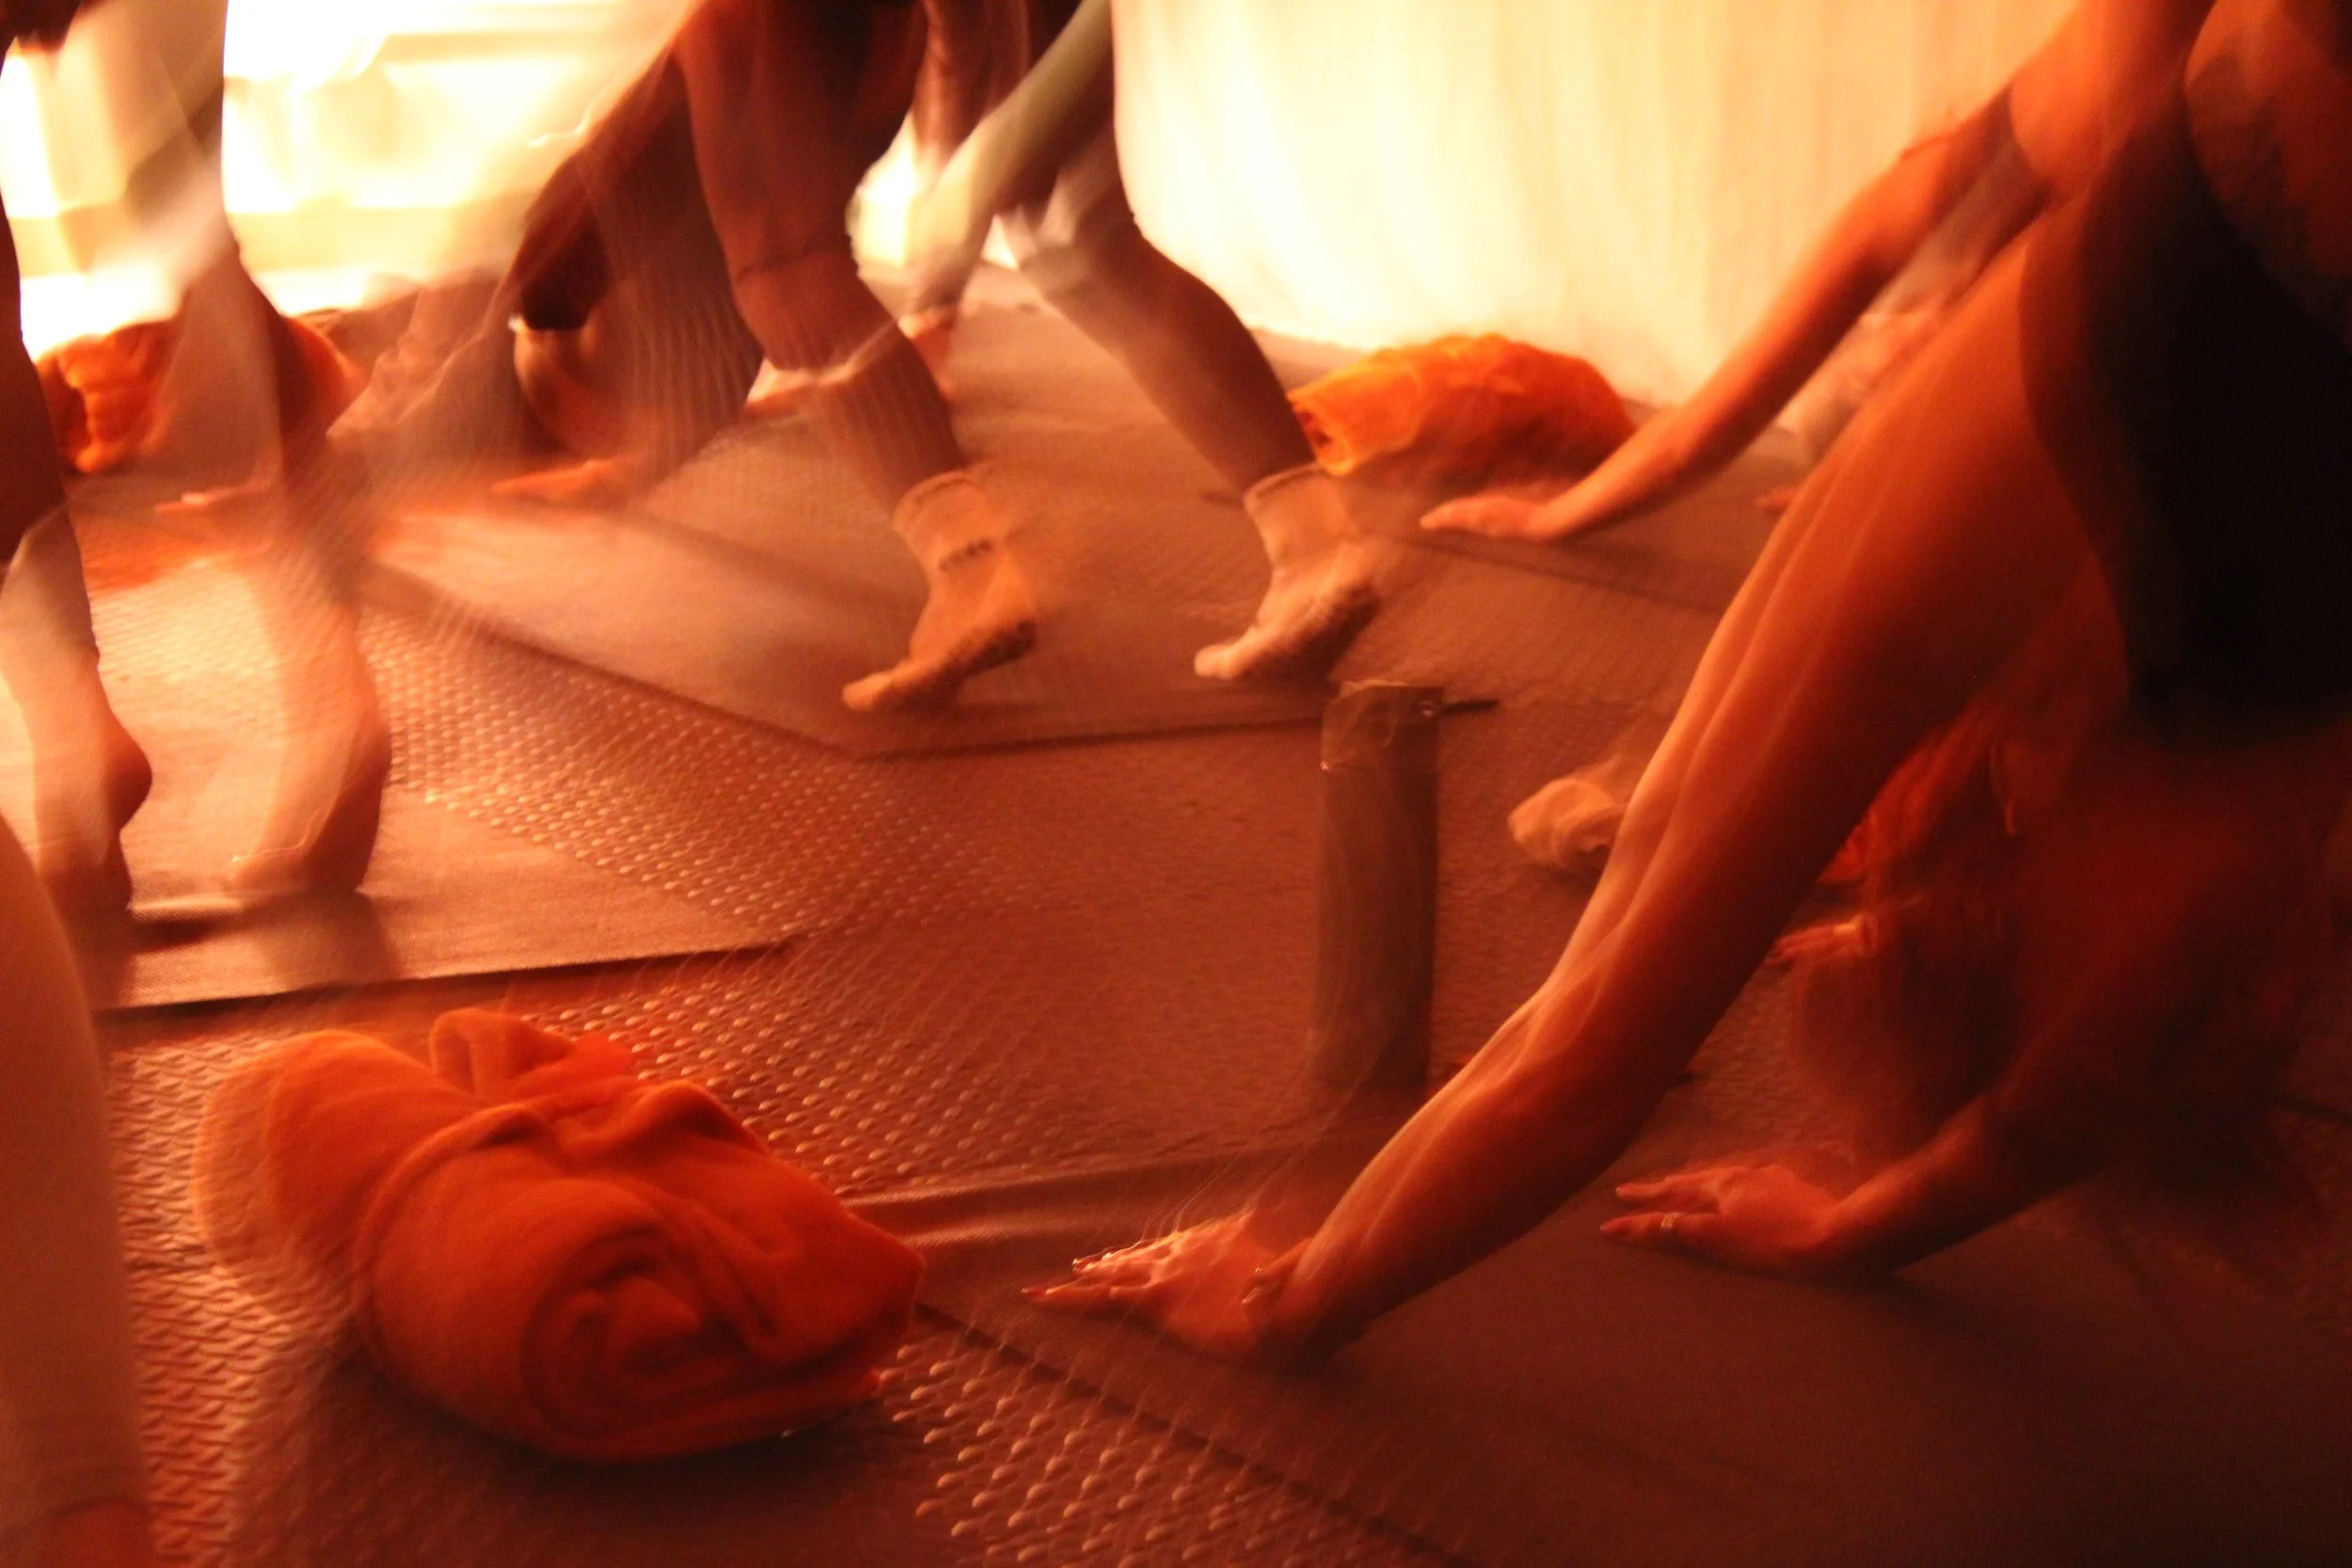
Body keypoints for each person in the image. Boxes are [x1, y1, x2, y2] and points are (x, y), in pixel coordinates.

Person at [1031, 0, 2352, 1358]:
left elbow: (1588, 1060)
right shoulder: (2230, 817)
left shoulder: (2054, 648)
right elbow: (2072, 1084)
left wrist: (1283, 1299)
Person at [380, 0, 1377, 712]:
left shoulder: (570, 264)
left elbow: (568, 230)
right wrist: (939, 290)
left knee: (783, 263)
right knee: (1077, 231)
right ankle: (1314, 542)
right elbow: (953, 54)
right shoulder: (601, 255)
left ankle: (972, 571)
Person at [1422, 0, 2214, 546]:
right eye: (1892, 387)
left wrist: (1556, 516)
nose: (1880, 357)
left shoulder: (1932, 209)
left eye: (1874, 370)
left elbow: (1704, 425)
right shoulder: (2053, 279)